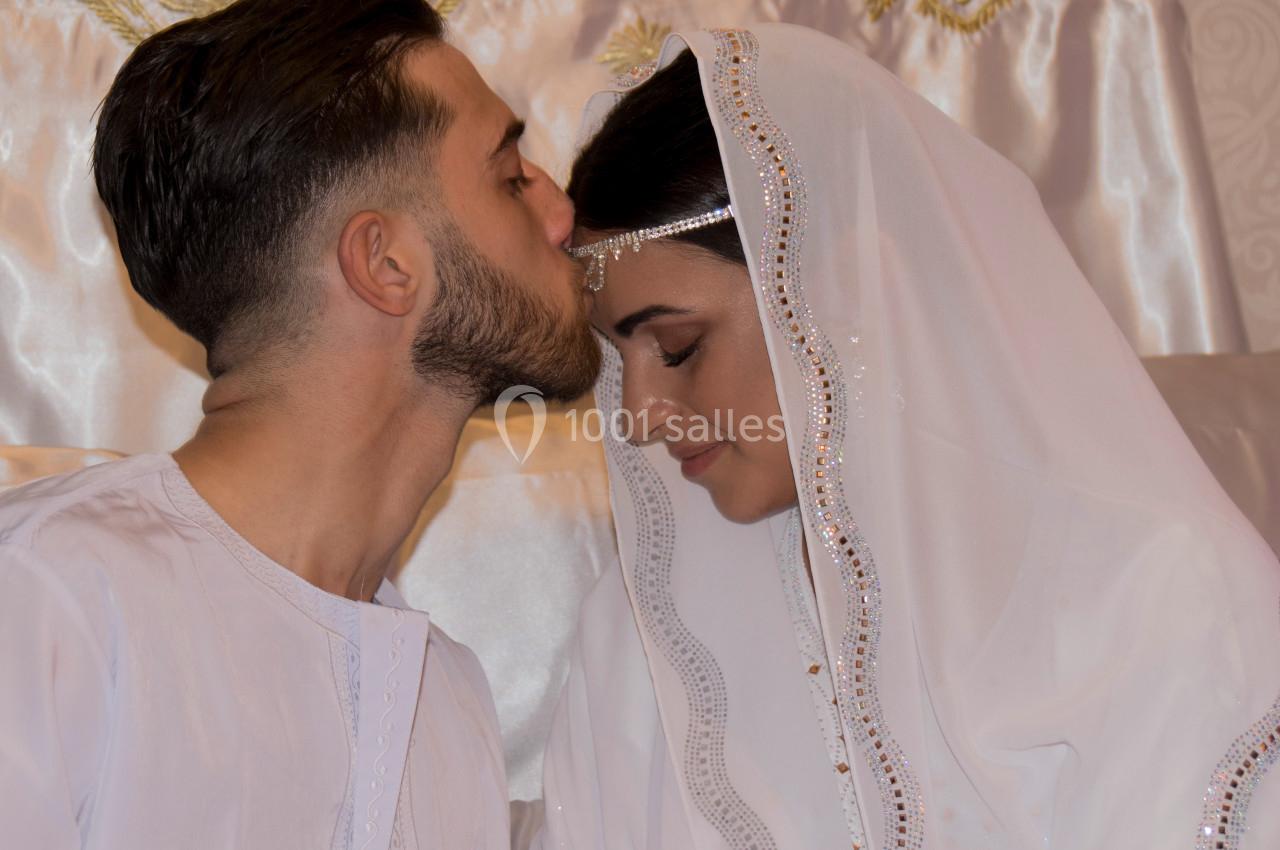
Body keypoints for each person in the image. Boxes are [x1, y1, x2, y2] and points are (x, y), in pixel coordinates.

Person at [536, 24, 1280, 850]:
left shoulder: (1144, 593)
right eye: (620, 358)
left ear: (842, 287)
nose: (640, 414)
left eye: (677, 346)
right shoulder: (646, 639)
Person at [0, 1, 599, 848]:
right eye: (509, 177)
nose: (561, 215)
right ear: (386, 263)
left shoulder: (444, 701)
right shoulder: (43, 604)